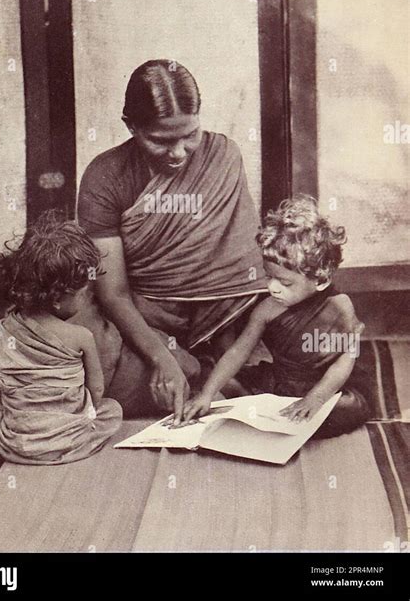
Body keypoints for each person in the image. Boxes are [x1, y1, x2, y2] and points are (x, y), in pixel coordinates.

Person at [77, 59, 266, 422]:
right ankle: (200, 373)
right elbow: (112, 293)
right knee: (86, 363)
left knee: (300, 348)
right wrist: (161, 357)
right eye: (161, 140)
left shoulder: (223, 156)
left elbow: (242, 264)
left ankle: (208, 370)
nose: (179, 153)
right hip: (143, 317)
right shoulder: (104, 177)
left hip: (222, 317)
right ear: (131, 126)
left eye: (190, 135)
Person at [182, 196, 370, 438]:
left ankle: (303, 413)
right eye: (269, 276)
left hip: (329, 386)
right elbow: (238, 352)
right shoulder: (267, 309)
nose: (272, 288)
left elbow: (345, 359)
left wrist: (317, 398)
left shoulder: (339, 307)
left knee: (345, 410)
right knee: (224, 386)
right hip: (282, 384)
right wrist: (207, 394)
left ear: (320, 279)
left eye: (285, 282)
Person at [0, 212, 122, 464]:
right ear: (57, 299)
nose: (87, 298)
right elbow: (97, 388)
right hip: (72, 440)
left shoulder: (5, 330)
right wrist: (85, 412)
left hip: (18, 443)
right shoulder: (81, 336)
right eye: (82, 294)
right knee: (112, 410)